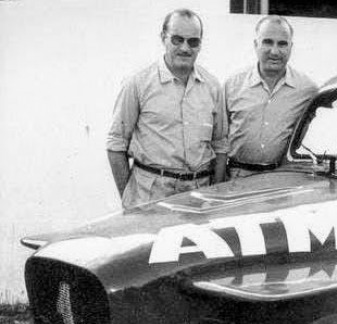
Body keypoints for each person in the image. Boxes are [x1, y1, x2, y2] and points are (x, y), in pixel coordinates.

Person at [107, 9, 228, 208]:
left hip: (199, 195)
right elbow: (116, 143)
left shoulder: (212, 87)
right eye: (177, 40)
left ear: (200, 44)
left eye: (193, 42)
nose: (185, 48)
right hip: (151, 195)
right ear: (163, 37)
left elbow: (221, 145)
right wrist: (129, 199)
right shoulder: (138, 83)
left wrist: (214, 193)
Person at [224, 15, 318, 178]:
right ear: (256, 45)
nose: (274, 51)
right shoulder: (233, 85)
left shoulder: (307, 90)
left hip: (281, 178)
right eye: (268, 42)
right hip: (236, 178)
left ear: (291, 47)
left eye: (282, 44)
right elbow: (219, 139)